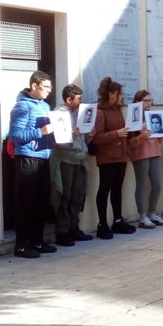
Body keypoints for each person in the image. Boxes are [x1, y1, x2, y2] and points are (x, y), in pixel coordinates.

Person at [9, 70, 56, 258]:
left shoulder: (45, 106)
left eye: (50, 87)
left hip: (44, 157)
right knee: (25, 203)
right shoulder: (22, 106)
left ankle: (37, 241)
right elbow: (15, 135)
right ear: (34, 86)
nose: (49, 91)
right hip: (28, 158)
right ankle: (21, 245)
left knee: (41, 202)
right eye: (45, 87)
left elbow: (48, 132)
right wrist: (39, 132)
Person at [50, 84, 93, 247]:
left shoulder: (79, 114)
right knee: (64, 196)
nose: (81, 102)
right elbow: (56, 140)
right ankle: (63, 231)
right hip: (66, 159)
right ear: (69, 99)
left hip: (80, 159)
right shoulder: (58, 114)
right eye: (79, 99)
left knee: (78, 195)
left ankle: (74, 228)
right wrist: (70, 133)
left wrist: (89, 134)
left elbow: (82, 139)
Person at [92, 77, 136, 239]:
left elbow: (123, 132)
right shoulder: (100, 112)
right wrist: (116, 134)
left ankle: (118, 220)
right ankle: (102, 224)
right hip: (107, 158)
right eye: (120, 94)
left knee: (117, 190)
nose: (122, 97)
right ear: (111, 94)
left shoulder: (117, 110)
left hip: (121, 157)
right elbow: (97, 138)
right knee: (104, 190)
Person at [129, 90, 163, 229]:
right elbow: (130, 142)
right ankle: (142, 216)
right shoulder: (133, 117)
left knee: (157, 184)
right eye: (145, 100)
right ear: (138, 102)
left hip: (155, 152)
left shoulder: (154, 115)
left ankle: (152, 212)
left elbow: (159, 139)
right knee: (142, 184)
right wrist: (141, 136)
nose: (149, 103)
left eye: (150, 100)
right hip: (140, 154)